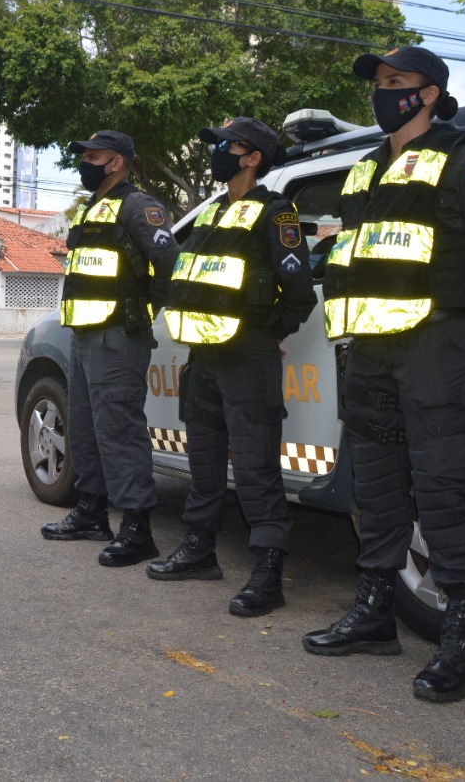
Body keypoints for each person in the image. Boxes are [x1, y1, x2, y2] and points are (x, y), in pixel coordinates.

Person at [301, 47, 465, 703]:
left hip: (437, 350)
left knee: (442, 493)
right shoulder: (365, 171)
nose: (383, 93)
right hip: (370, 351)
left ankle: (462, 642)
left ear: (430, 93)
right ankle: (375, 614)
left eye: (396, 83)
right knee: (375, 489)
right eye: (379, 84)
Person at [145, 117, 316, 618]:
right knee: (203, 464)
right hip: (203, 359)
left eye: (226, 145)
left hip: (247, 359)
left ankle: (268, 572)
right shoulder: (211, 214)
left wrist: (266, 334)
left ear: (253, 157)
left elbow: (299, 294)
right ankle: (200, 550)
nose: (217, 151)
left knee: (256, 468)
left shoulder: (276, 213)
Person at [40, 130, 181, 567]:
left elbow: (170, 264)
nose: (86, 163)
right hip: (84, 336)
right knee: (85, 427)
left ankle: (137, 529)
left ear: (117, 162)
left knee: (119, 431)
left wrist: (143, 309)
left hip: (119, 336)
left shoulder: (138, 205)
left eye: (94, 156)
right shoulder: (92, 208)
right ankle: (91, 512)